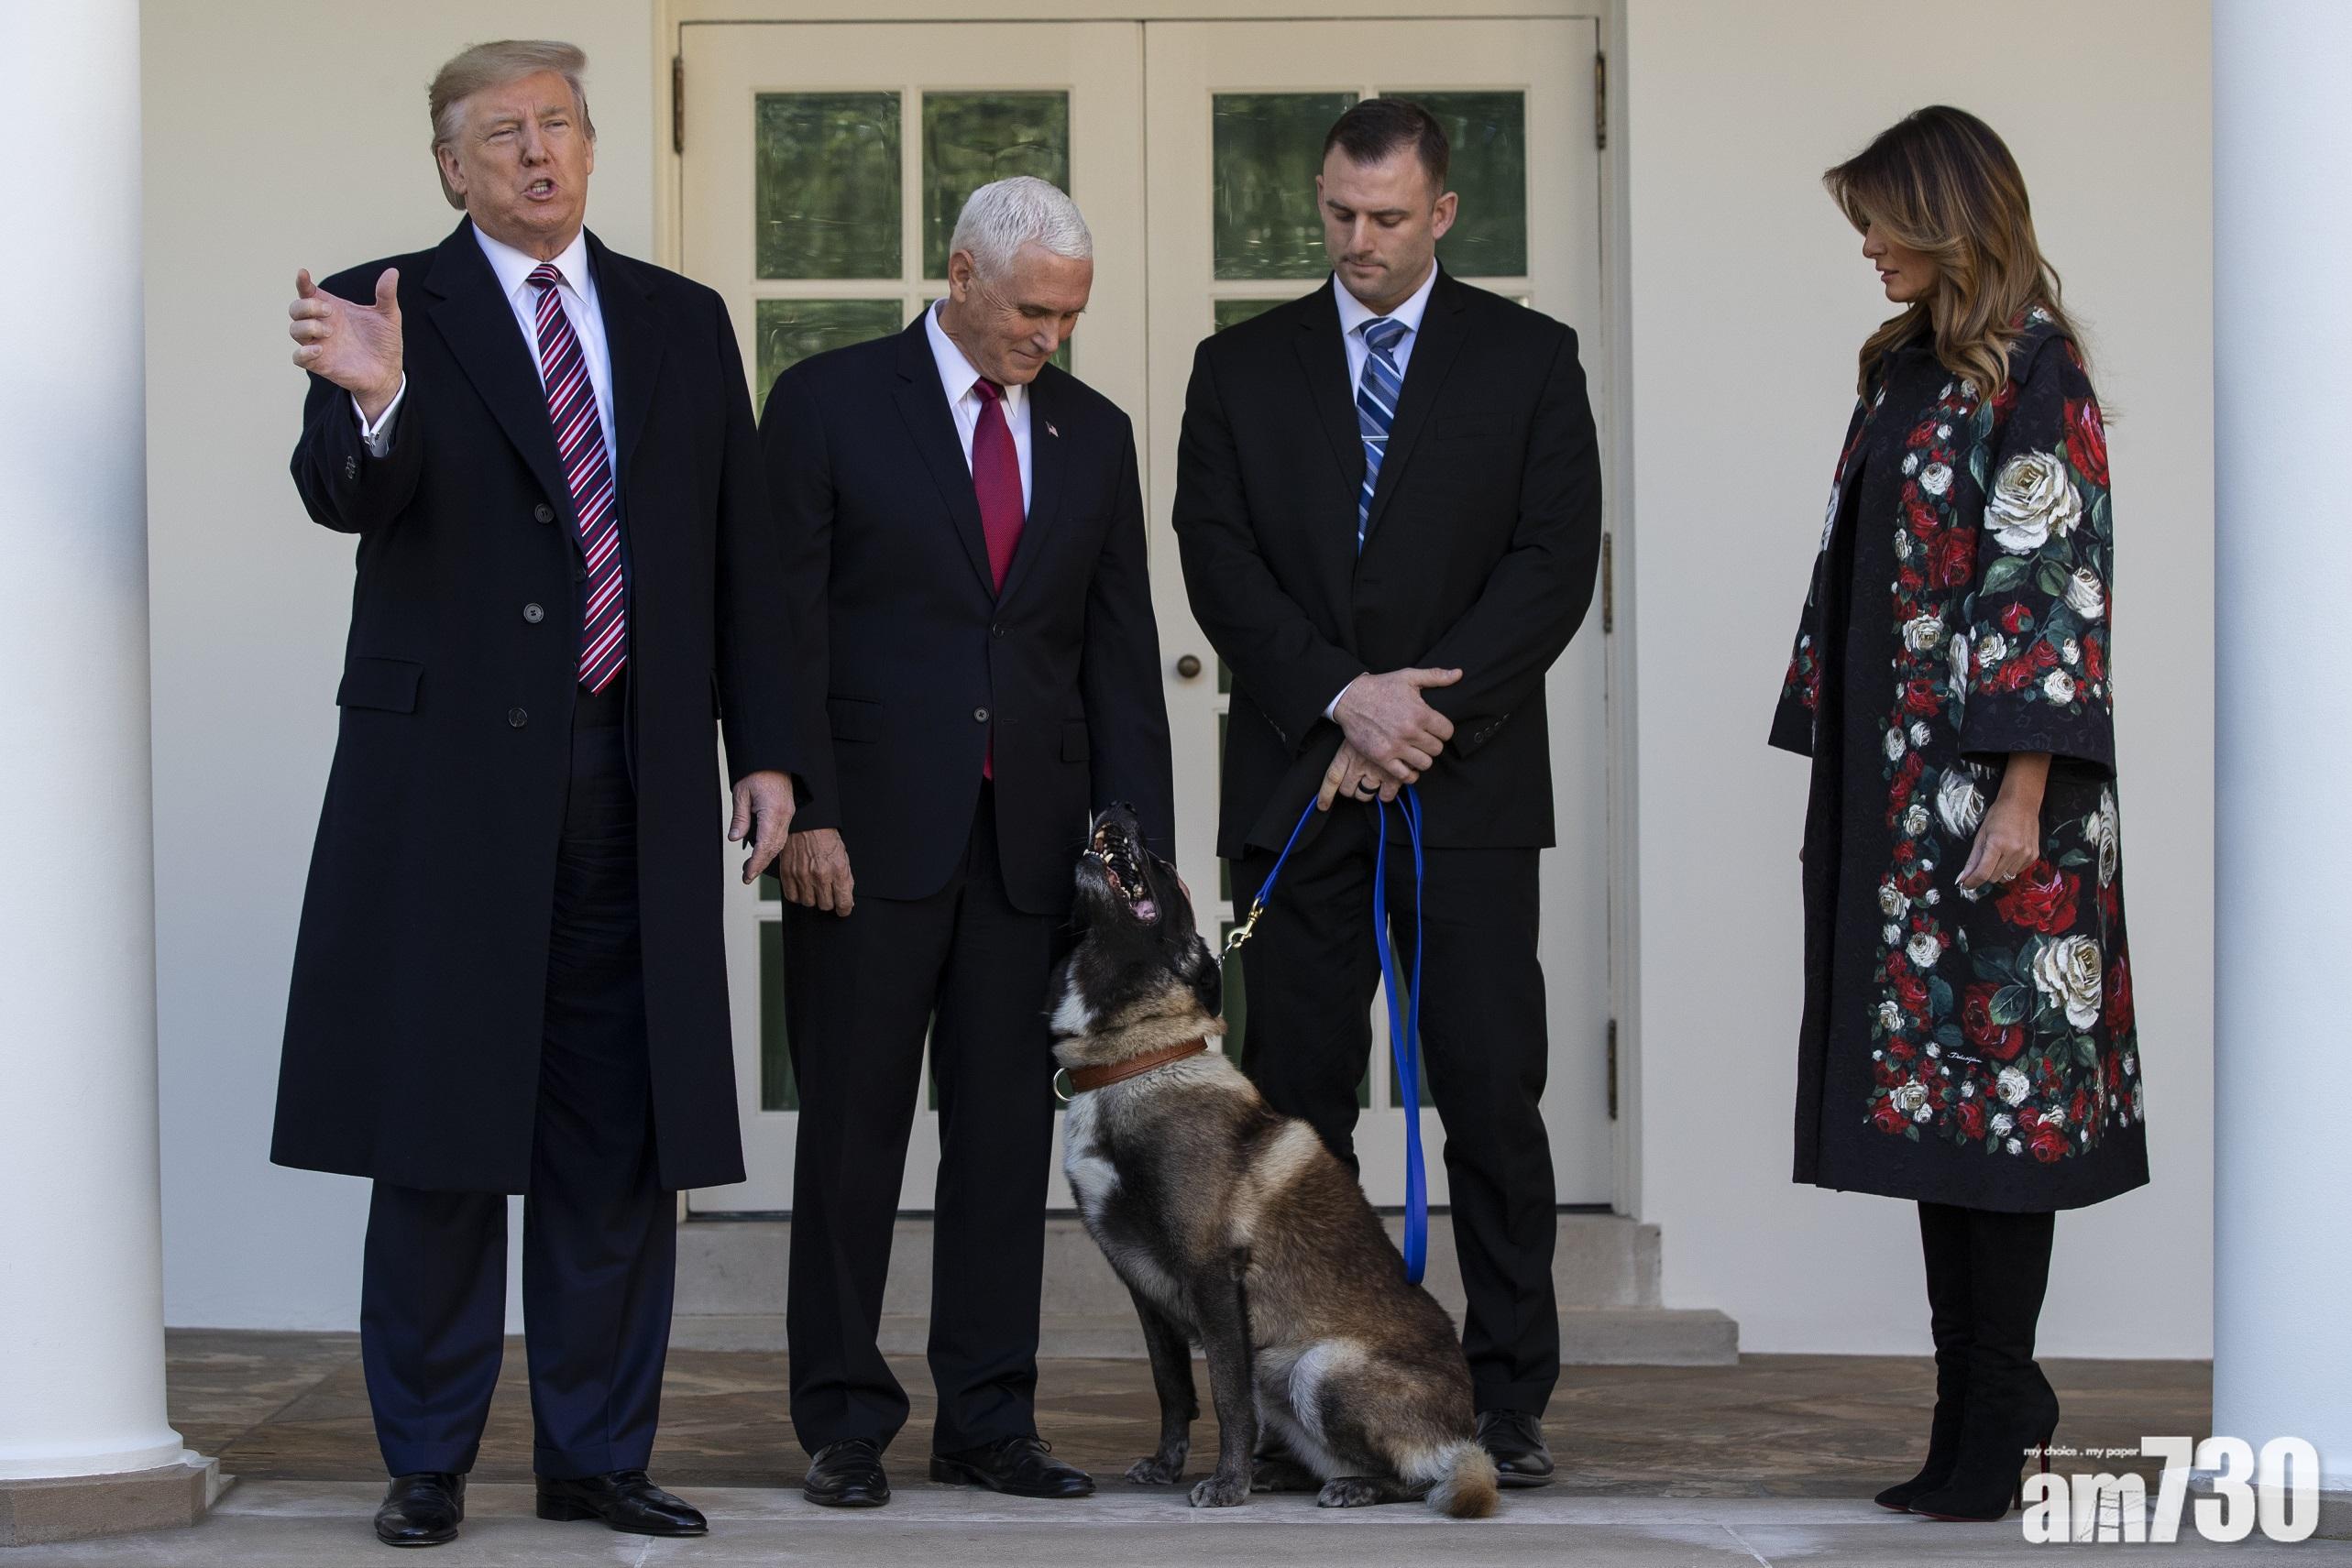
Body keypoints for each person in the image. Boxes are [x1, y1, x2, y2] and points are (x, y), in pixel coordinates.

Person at [271, 39, 800, 1549]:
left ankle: (596, 1455)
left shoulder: (680, 320)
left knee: (613, 1136)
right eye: (498, 134)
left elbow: (742, 557)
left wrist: (765, 749)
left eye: (557, 124)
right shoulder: (390, 301)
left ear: (590, 140)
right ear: (450, 165)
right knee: (443, 1130)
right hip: (449, 786)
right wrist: (376, 406)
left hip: (632, 769)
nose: (535, 153)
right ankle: (427, 1458)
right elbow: (343, 495)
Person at [1171, 99, 1602, 1486]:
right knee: (1296, 1104)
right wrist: (1338, 697)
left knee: (1488, 1088)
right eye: (1338, 217)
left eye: (1385, 219)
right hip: (1299, 787)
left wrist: (1418, 712)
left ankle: (1509, 1392)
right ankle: (1308, 1393)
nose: (1357, 242)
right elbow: (1216, 557)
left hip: (1462, 791)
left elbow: (1550, 564)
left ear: (1441, 216)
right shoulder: (1238, 367)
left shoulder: (1530, 360)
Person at [760, 176, 1173, 1509]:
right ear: (959, 273)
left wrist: (1130, 863)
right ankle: (841, 1424)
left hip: (1028, 854)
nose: (1045, 335)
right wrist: (803, 806)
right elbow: (784, 625)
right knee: (850, 1141)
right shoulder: (827, 401)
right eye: (1028, 308)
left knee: (1000, 1148)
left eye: (1066, 315)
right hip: (861, 846)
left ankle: (989, 1421)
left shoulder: (1095, 433)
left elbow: (1117, 655)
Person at [1769, 105, 2147, 1523]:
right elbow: (1857, 577)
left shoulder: (2037, 374)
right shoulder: (1905, 369)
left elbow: (2052, 589)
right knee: (1936, 1115)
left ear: (1947, 213)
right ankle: (1973, 1404)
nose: (1864, 244)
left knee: (2003, 1110)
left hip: (2000, 811)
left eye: (1880, 218)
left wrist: (2022, 796)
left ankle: (1995, 1410)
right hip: (1896, 802)